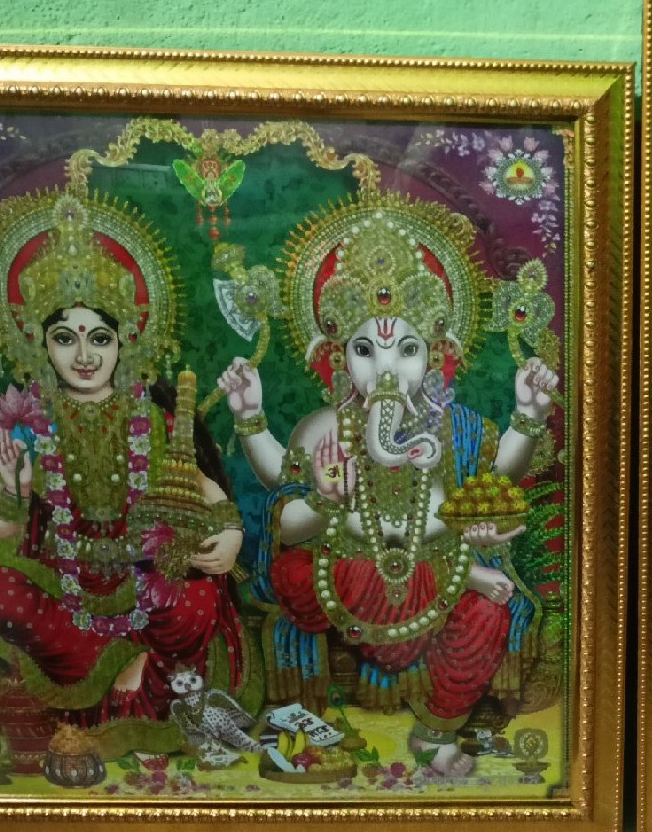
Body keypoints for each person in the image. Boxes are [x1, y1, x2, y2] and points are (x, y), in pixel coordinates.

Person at [218, 194, 557, 776]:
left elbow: (498, 480)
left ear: (435, 357)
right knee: (296, 572)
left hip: (438, 564)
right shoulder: (324, 427)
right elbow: (284, 502)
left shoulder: (455, 428)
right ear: (337, 358)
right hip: (347, 570)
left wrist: (528, 414)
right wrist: (254, 422)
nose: (386, 368)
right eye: (364, 349)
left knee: (489, 614)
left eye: (407, 349)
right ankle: (313, 722)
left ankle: (436, 731)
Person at [0, 194, 253, 739]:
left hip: (147, 575)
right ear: (38, 342)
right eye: (65, 338)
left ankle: (139, 658)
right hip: (61, 580)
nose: (84, 356)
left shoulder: (151, 415)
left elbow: (205, 488)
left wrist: (231, 535)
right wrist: (14, 490)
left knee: (197, 601)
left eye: (100, 338)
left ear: (126, 340)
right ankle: (117, 660)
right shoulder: (24, 420)